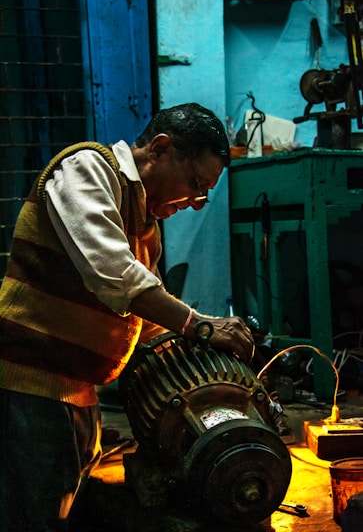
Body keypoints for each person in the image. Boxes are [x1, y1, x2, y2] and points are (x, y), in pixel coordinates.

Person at [0, 102, 255, 531]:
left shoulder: (143, 218)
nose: (195, 203)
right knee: (32, 517)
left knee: (58, 507)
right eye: (195, 184)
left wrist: (206, 358)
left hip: (76, 393)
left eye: (204, 193)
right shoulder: (86, 169)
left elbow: (144, 313)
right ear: (160, 148)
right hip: (29, 385)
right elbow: (115, 275)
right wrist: (201, 326)